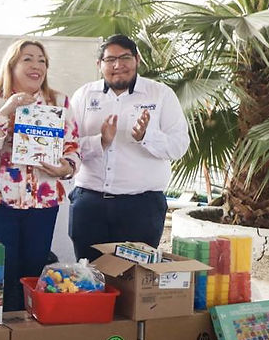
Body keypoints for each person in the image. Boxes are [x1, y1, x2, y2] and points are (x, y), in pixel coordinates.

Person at [0, 39, 80, 312]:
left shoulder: (59, 101)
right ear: (12, 65)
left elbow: (73, 149)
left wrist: (66, 167)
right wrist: (6, 111)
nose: (36, 66)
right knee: (2, 277)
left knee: (34, 274)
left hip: (42, 206)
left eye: (42, 60)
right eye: (28, 59)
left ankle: (30, 339)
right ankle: (2, 337)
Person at [68, 34, 190, 262]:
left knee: (136, 283)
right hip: (90, 203)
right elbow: (67, 147)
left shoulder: (160, 94)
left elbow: (179, 146)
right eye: (110, 59)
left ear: (137, 60)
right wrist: (100, 141)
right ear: (99, 64)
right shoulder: (84, 95)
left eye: (125, 57)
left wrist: (147, 136)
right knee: (89, 277)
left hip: (141, 207)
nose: (118, 65)